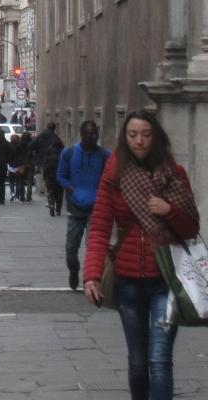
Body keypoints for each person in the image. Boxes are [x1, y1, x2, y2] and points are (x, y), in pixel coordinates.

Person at [83, 110, 199, 400]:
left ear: (155, 137)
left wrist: (169, 210)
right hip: (128, 282)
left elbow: (191, 227)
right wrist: (92, 275)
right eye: (133, 135)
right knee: (137, 361)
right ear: (125, 138)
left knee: (159, 360)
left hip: (165, 280)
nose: (139, 141)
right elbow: (99, 227)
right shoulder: (114, 174)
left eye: (146, 135)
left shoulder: (174, 174)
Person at [58, 119, 109, 290]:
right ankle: (74, 270)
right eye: (88, 134)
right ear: (81, 135)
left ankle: (92, 279)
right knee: (71, 247)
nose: (92, 137)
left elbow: (110, 177)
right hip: (75, 208)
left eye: (95, 134)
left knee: (93, 246)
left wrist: (102, 192)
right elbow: (61, 176)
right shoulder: (69, 153)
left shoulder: (104, 155)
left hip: (96, 207)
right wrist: (72, 190)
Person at [31, 122, 64, 201]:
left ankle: (47, 193)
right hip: (52, 161)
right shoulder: (56, 138)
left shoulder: (40, 136)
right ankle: (50, 194)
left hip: (41, 159)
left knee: (46, 177)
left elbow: (32, 145)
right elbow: (61, 148)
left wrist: (37, 150)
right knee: (51, 178)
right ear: (54, 128)